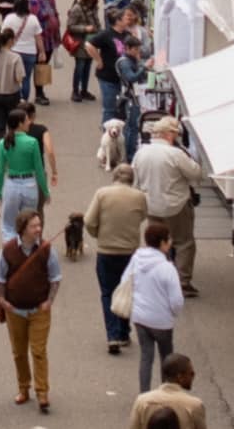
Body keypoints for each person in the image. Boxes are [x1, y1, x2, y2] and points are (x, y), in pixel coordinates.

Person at [0, 208, 61, 413]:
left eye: (39, 225)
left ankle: (42, 392)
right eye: (34, 226)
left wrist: (49, 301)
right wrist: (3, 300)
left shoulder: (47, 250)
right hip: (15, 310)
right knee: (19, 353)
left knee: (39, 351)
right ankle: (24, 388)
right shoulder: (7, 250)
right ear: (22, 229)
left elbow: (55, 278)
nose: (38, 229)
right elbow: (0, 278)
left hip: (39, 309)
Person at [133, 118, 203, 297]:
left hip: (151, 205)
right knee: (183, 242)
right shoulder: (175, 154)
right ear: (169, 134)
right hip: (176, 205)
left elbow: (136, 179)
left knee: (156, 241)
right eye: (176, 133)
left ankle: (156, 277)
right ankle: (182, 281)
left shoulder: (141, 153)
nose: (177, 137)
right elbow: (195, 173)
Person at [85, 162, 148, 353]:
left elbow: (88, 220)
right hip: (129, 252)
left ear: (114, 176)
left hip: (106, 250)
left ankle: (112, 335)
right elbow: (143, 216)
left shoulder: (102, 194)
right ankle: (123, 332)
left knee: (107, 292)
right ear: (132, 179)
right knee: (126, 291)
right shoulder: (139, 197)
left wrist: (97, 234)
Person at [128, 220, 185, 393]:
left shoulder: (137, 258)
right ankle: (165, 393)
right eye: (168, 240)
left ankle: (144, 394)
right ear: (162, 243)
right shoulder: (167, 268)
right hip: (161, 320)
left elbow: (126, 281)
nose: (170, 243)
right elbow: (176, 300)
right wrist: (174, 313)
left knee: (146, 357)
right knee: (166, 359)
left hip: (140, 317)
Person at [0, 106, 47, 243]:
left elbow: (0, 171)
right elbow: (39, 170)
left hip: (11, 185)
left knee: (8, 224)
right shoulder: (32, 143)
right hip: (29, 185)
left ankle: (11, 252)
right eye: (27, 120)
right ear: (20, 123)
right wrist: (45, 191)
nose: (29, 122)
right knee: (30, 224)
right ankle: (30, 252)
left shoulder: (3, 142)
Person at [129, 353, 206, 429]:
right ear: (180, 377)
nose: (193, 377)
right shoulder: (194, 405)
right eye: (191, 373)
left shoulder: (142, 401)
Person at [0, 30, 28, 141]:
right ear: (10, 41)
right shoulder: (15, 57)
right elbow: (19, 78)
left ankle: (1, 153)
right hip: (12, 95)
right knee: (13, 127)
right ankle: (12, 152)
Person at [66, 0, 103, 103]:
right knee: (80, 67)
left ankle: (84, 90)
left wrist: (98, 31)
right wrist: (85, 28)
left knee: (87, 67)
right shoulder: (77, 8)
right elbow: (70, 26)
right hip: (80, 42)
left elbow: (97, 22)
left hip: (91, 41)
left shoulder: (93, 7)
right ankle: (75, 91)